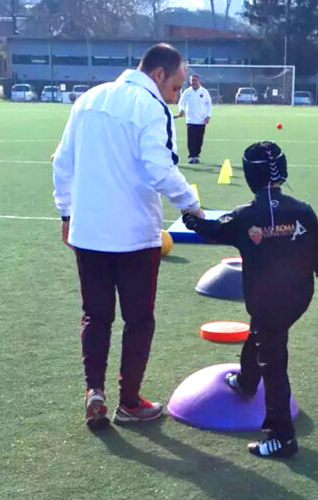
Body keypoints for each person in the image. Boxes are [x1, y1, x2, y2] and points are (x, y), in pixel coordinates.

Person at [52, 43, 205, 430]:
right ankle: (130, 402)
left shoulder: (88, 99)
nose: (175, 97)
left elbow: (61, 163)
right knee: (138, 320)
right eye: (175, 87)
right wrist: (192, 205)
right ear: (158, 75)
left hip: (88, 234)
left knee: (96, 315)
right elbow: (158, 168)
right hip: (134, 237)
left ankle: (94, 392)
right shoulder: (149, 107)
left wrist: (67, 213)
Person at [183, 141, 318, 458]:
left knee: (274, 360)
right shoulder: (303, 211)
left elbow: (212, 230)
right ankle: (245, 381)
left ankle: (282, 437)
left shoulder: (244, 217)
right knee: (262, 335)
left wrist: (191, 216)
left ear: (251, 177)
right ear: (282, 173)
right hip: (298, 298)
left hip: (269, 301)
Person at [175, 74, 212, 164]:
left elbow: (209, 105)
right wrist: (181, 110)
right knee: (191, 139)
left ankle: (196, 155)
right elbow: (181, 102)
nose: (194, 82)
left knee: (199, 140)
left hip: (201, 120)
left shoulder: (204, 92)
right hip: (190, 120)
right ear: (190, 82)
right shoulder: (187, 92)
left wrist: (208, 116)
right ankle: (192, 156)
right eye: (192, 80)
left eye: (195, 80)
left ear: (199, 81)